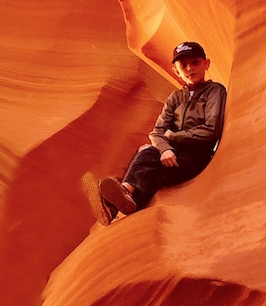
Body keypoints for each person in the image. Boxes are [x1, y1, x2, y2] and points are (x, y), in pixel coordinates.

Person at [87, 41, 226, 225]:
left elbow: (211, 130)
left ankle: (119, 198)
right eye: (183, 65)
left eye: (195, 62)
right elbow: (157, 131)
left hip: (195, 156)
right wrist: (165, 149)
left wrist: (172, 138)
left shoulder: (215, 92)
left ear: (206, 64)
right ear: (175, 71)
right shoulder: (175, 98)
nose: (190, 68)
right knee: (149, 157)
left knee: (151, 165)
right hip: (171, 152)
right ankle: (123, 198)